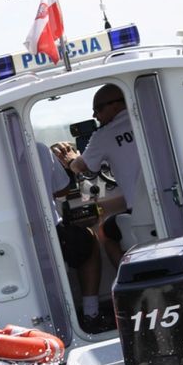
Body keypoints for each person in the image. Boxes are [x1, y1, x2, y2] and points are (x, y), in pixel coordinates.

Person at [52, 84, 141, 266]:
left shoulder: (104, 135)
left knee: (104, 233)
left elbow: (80, 167)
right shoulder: (147, 119)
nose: (95, 116)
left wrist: (69, 158)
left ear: (116, 105)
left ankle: (128, 281)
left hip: (139, 214)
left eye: (98, 109)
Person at [36, 142, 113, 333]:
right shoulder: (38, 148)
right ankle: (91, 314)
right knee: (89, 240)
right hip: (51, 229)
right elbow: (61, 189)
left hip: (26, 237)